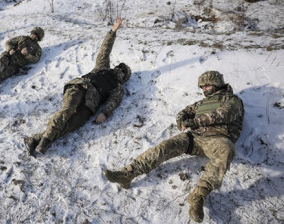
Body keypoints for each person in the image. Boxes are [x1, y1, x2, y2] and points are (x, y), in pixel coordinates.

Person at [103, 71, 244, 223]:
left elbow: (224, 114)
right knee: (166, 146)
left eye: (208, 85)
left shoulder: (232, 99)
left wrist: (194, 122)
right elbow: (184, 112)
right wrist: (181, 120)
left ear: (217, 84)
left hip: (218, 140)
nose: (204, 89)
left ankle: (198, 196)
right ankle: (128, 174)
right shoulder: (201, 104)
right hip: (195, 138)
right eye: (202, 87)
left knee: (227, 149)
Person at [24, 17, 131, 156]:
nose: (120, 71)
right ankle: (45, 142)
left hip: (89, 106)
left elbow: (113, 102)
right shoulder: (103, 67)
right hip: (81, 87)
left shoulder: (118, 88)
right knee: (67, 110)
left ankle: (35, 140)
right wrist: (113, 31)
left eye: (124, 72)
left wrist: (104, 113)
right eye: (120, 68)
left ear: (124, 78)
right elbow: (105, 49)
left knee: (69, 125)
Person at [0, 27, 44, 94]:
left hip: (16, 65)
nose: (34, 36)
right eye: (33, 34)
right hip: (8, 56)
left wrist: (27, 54)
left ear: (39, 38)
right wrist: (10, 49)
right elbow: (8, 42)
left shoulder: (38, 48)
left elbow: (36, 59)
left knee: (1, 76)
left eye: (36, 35)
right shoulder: (22, 38)